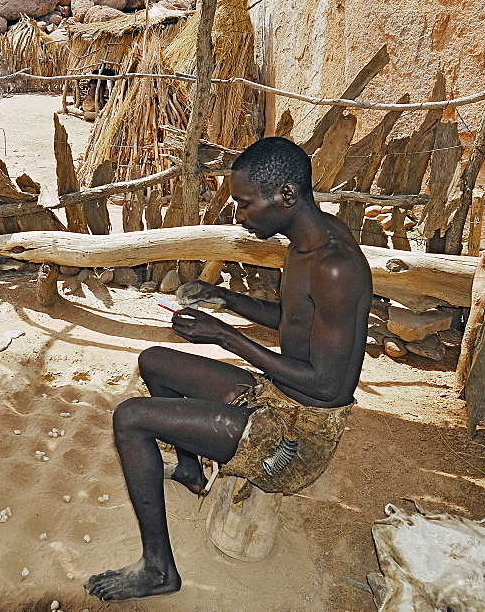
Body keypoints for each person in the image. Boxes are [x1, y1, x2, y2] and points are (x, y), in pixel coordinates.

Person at [87, 137, 372, 601]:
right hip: (279, 396)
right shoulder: (310, 241)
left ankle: (158, 570)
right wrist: (226, 301)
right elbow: (296, 320)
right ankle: (190, 472)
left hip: (299, 436)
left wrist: (225, 338)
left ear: (285, 195)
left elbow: (329, 384)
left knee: (130, 418)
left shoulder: (336, 267)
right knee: (153, 361)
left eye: (244, 203)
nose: (239, 214)